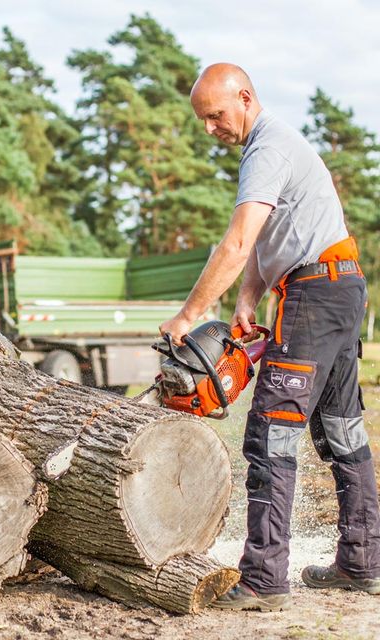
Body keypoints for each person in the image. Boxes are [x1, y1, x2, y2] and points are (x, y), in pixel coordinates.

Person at [159, 63, 380, 611]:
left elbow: (236, 243)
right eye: (202, 121)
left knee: (271, 431)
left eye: (215, 115)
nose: (210, 128)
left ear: (245, 97)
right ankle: (362, 561)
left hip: (316, 292)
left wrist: (188, 316)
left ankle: (262, 577)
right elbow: (263, 241)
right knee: (341, 428)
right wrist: (246, 300)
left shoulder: (267, 147)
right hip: (336, 285)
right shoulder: (271, 148)